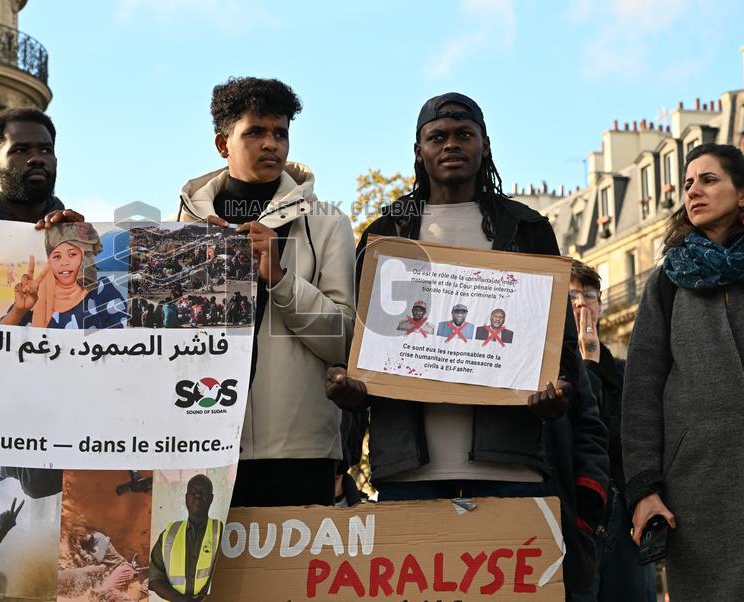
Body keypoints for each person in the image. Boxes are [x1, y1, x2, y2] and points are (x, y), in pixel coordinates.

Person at [326, 92, 608, 594]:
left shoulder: (527, 229)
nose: (451, 145)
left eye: (463, 135)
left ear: (485, 145)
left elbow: (560, 347)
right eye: (438, 136)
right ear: (419, 150)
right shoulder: (385, 234)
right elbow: (362, 348)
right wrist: (353, 410)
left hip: (512, 468)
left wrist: (557, 394)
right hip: (406, 472)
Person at [174, 77, 356, 507]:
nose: (271, 143)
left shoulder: (329, 223)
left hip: (298, 452)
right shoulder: (179, 229)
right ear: (223, 144)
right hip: (197, 442)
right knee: (209, 576)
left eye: (280, 133)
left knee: (293, 577)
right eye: (255, 131)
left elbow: (344, 340)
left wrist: (279, 277)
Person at [623, 142, 744, 600]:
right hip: (696, 492)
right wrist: (644, 489)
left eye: (709, 180)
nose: (693, 191)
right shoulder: (666, 283)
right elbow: (640, 394)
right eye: (687, 184)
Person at [567, 261, 655, 601]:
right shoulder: (550, 373)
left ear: (601, 305)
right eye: (572, 295)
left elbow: (629, 435)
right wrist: (585, 364)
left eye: (589, 295)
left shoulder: (625, 372)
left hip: (624, 513)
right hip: (579, 515)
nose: (581, 303)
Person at [0, 107, 83, 230]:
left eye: (46, 150)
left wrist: (80, 242)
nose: (37, 159)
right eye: (20, 150)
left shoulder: (76, 232)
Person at [0, 225, 125, 329]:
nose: (64, 263)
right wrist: (19, 310)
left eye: (72, 254)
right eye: (57, 256)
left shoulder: (102, 290)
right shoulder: (35, 294)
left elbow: (123, 340)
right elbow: (0, 339)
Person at [149, 475, 224, 602]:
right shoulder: (169, 534)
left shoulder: (221, 531)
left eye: (202, 492)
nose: (197, 495)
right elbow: (154, 578)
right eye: (193, 492)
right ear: (186, 498)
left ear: (211, 498)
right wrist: (179, 599)